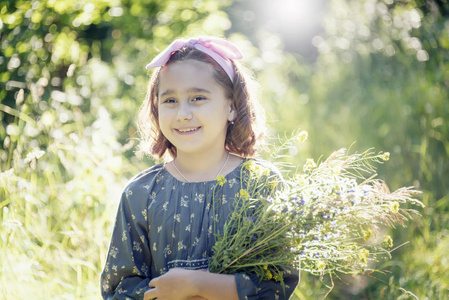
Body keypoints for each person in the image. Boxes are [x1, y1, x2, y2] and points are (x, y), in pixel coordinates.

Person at [100, 36, 299, 300]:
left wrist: (199, 285)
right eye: (170, 101)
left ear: (231, 106)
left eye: (197, 98)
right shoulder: (141, 194)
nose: (183, 113)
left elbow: (279, 281)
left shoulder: (260, 183)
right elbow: (119, 286)